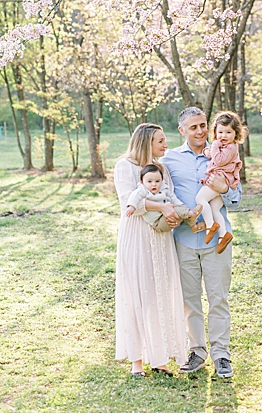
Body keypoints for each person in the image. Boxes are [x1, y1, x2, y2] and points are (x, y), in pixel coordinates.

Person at [162, 106, 241, 378]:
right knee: (190, 300)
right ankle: (196, 351)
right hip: (184, 239)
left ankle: (221, 355)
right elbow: (159, 190)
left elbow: (237, 197)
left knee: (219, 299)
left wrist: (224, 189)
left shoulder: (224, 150)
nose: (200, 131)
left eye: (203, 125)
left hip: (218, 240)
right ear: (182, 130)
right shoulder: (170, 159)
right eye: (193, 127)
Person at [114, 123, 188, 378]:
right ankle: (136, 360)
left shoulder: (162, 168)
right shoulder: (125, 166)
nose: (165, 145)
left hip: (161, 237)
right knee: (137, 292)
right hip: (136, 235)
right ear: (146, 141)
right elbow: (128, 201)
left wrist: (174, 215)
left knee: (160, 294)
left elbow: (171, 198)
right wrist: (162, 209)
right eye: (160, 140)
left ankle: (159, 358)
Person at [194, 111, 246, 253]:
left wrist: (215, 145)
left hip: (220, 179)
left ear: (236, 134)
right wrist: (208, 151)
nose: (223, 136)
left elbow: (219, 160)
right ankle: (223, 234)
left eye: (228, 132)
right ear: (215, 132)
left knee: (200, 198)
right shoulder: (223, 146)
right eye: (220, 132)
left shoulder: (231, 147)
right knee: (214, 208)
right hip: (220, 177)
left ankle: (211, 225)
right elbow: (211, 152)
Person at [126, 163, 205, 234]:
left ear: (161, 180)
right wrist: (132, 207)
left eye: (157, 181)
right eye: (149, 181)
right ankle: (191, 214)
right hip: (158, 223)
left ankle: (194, 226)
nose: (154, 184)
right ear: (142, 182)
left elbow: (173, 198)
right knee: (178, 210)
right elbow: (134, 197)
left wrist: (182, 206)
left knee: (179, 208)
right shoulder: (142, 190)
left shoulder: (164, 188)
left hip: (167, 216)